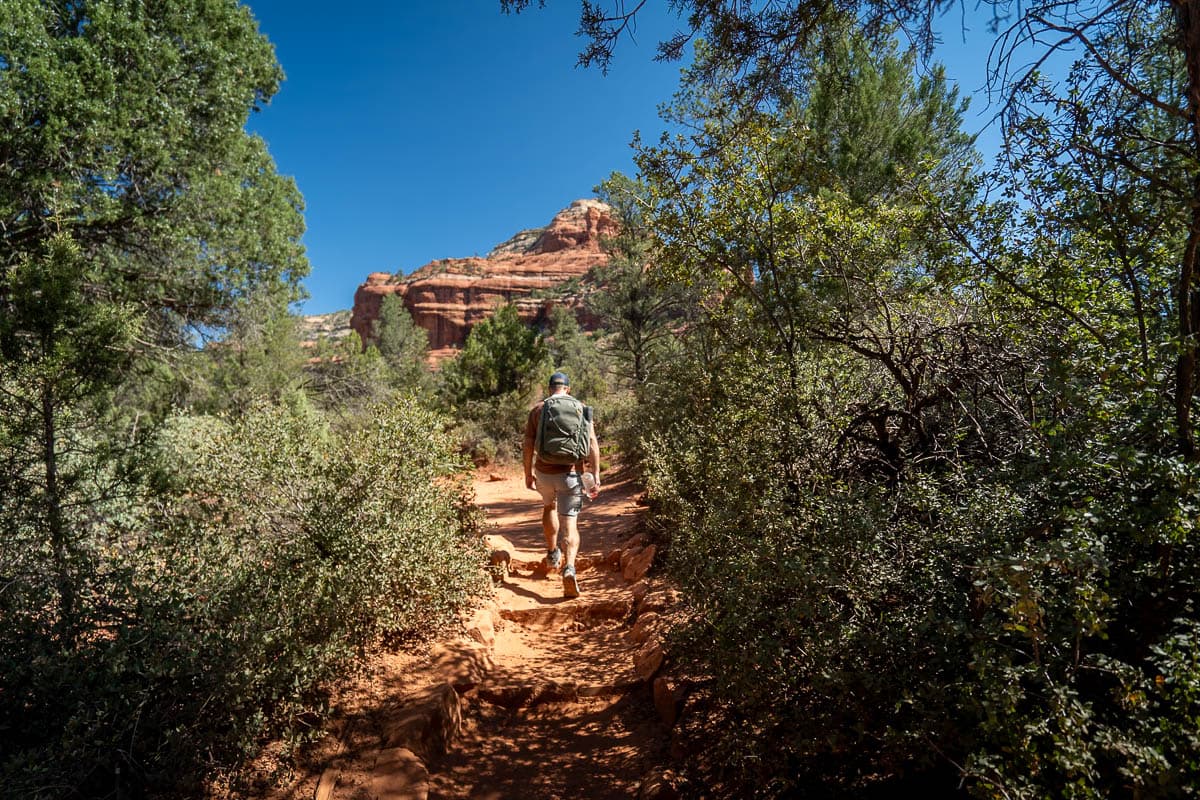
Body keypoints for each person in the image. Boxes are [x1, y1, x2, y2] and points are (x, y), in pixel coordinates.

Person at [523, 371, 600, 598]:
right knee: (571, 523)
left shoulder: (538, 409)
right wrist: (595, 474)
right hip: (571, 475)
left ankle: (552, 552)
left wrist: (528, 474)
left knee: (549, 507)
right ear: (568, 388)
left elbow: (527, 446)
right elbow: (593, 443)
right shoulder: (582, 408)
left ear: (550, 389)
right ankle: (570, 567)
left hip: (544, 474)